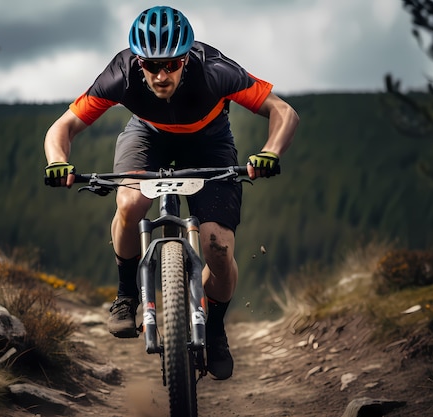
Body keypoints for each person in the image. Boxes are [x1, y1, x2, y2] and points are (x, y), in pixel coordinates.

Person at [43, 6, 299, 380]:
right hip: (148, 136)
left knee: (218, 247)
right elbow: (63, 127)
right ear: (138, 61)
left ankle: (214, 330)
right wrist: (57, 160)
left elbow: (283, 111)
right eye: (150, 65)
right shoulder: (121, 73)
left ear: (186, 58)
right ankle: (127, 293)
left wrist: (270, 152)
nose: (161, 75)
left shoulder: (214, 70)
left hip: (209, 143)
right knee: (130, 202)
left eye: (173, 64)